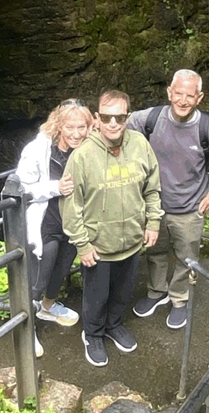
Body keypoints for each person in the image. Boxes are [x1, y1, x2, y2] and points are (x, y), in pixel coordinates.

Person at [128, 69, 209, 329]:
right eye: (178, 93)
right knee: (155, 252)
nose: (183, 100)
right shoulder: (149, 119)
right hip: (155, 206)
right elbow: (116, 128)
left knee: (186, 257)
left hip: (190, 208)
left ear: (199, 98)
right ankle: (156, 292)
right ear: (169, 92)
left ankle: (179, 299)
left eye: (189, 95)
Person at [62, 90, 163, 367]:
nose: (113, 123)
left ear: (128, 117)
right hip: (98, 245)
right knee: (96, 297)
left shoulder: (140, 144)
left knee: (122, 292)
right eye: (107, 117)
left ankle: (114, 325)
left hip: (131, 240)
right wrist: (82, 244)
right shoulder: (82, 156)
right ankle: (92, 334)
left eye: (120, 117)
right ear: (97, 118)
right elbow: (71, 205)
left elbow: (152, 187)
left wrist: (153, 222)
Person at [16, 98, 93, 357]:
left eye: (82, 127)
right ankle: (26, 329)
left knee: (60, 271)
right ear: (59, 125)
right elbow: (22, 188)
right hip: (45, 224)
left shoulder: (88, 148)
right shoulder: (38, 150)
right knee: (38, 279)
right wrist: (55, 187)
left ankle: (48, 307)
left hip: (71, 223)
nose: (76, 133)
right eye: (70, 127)